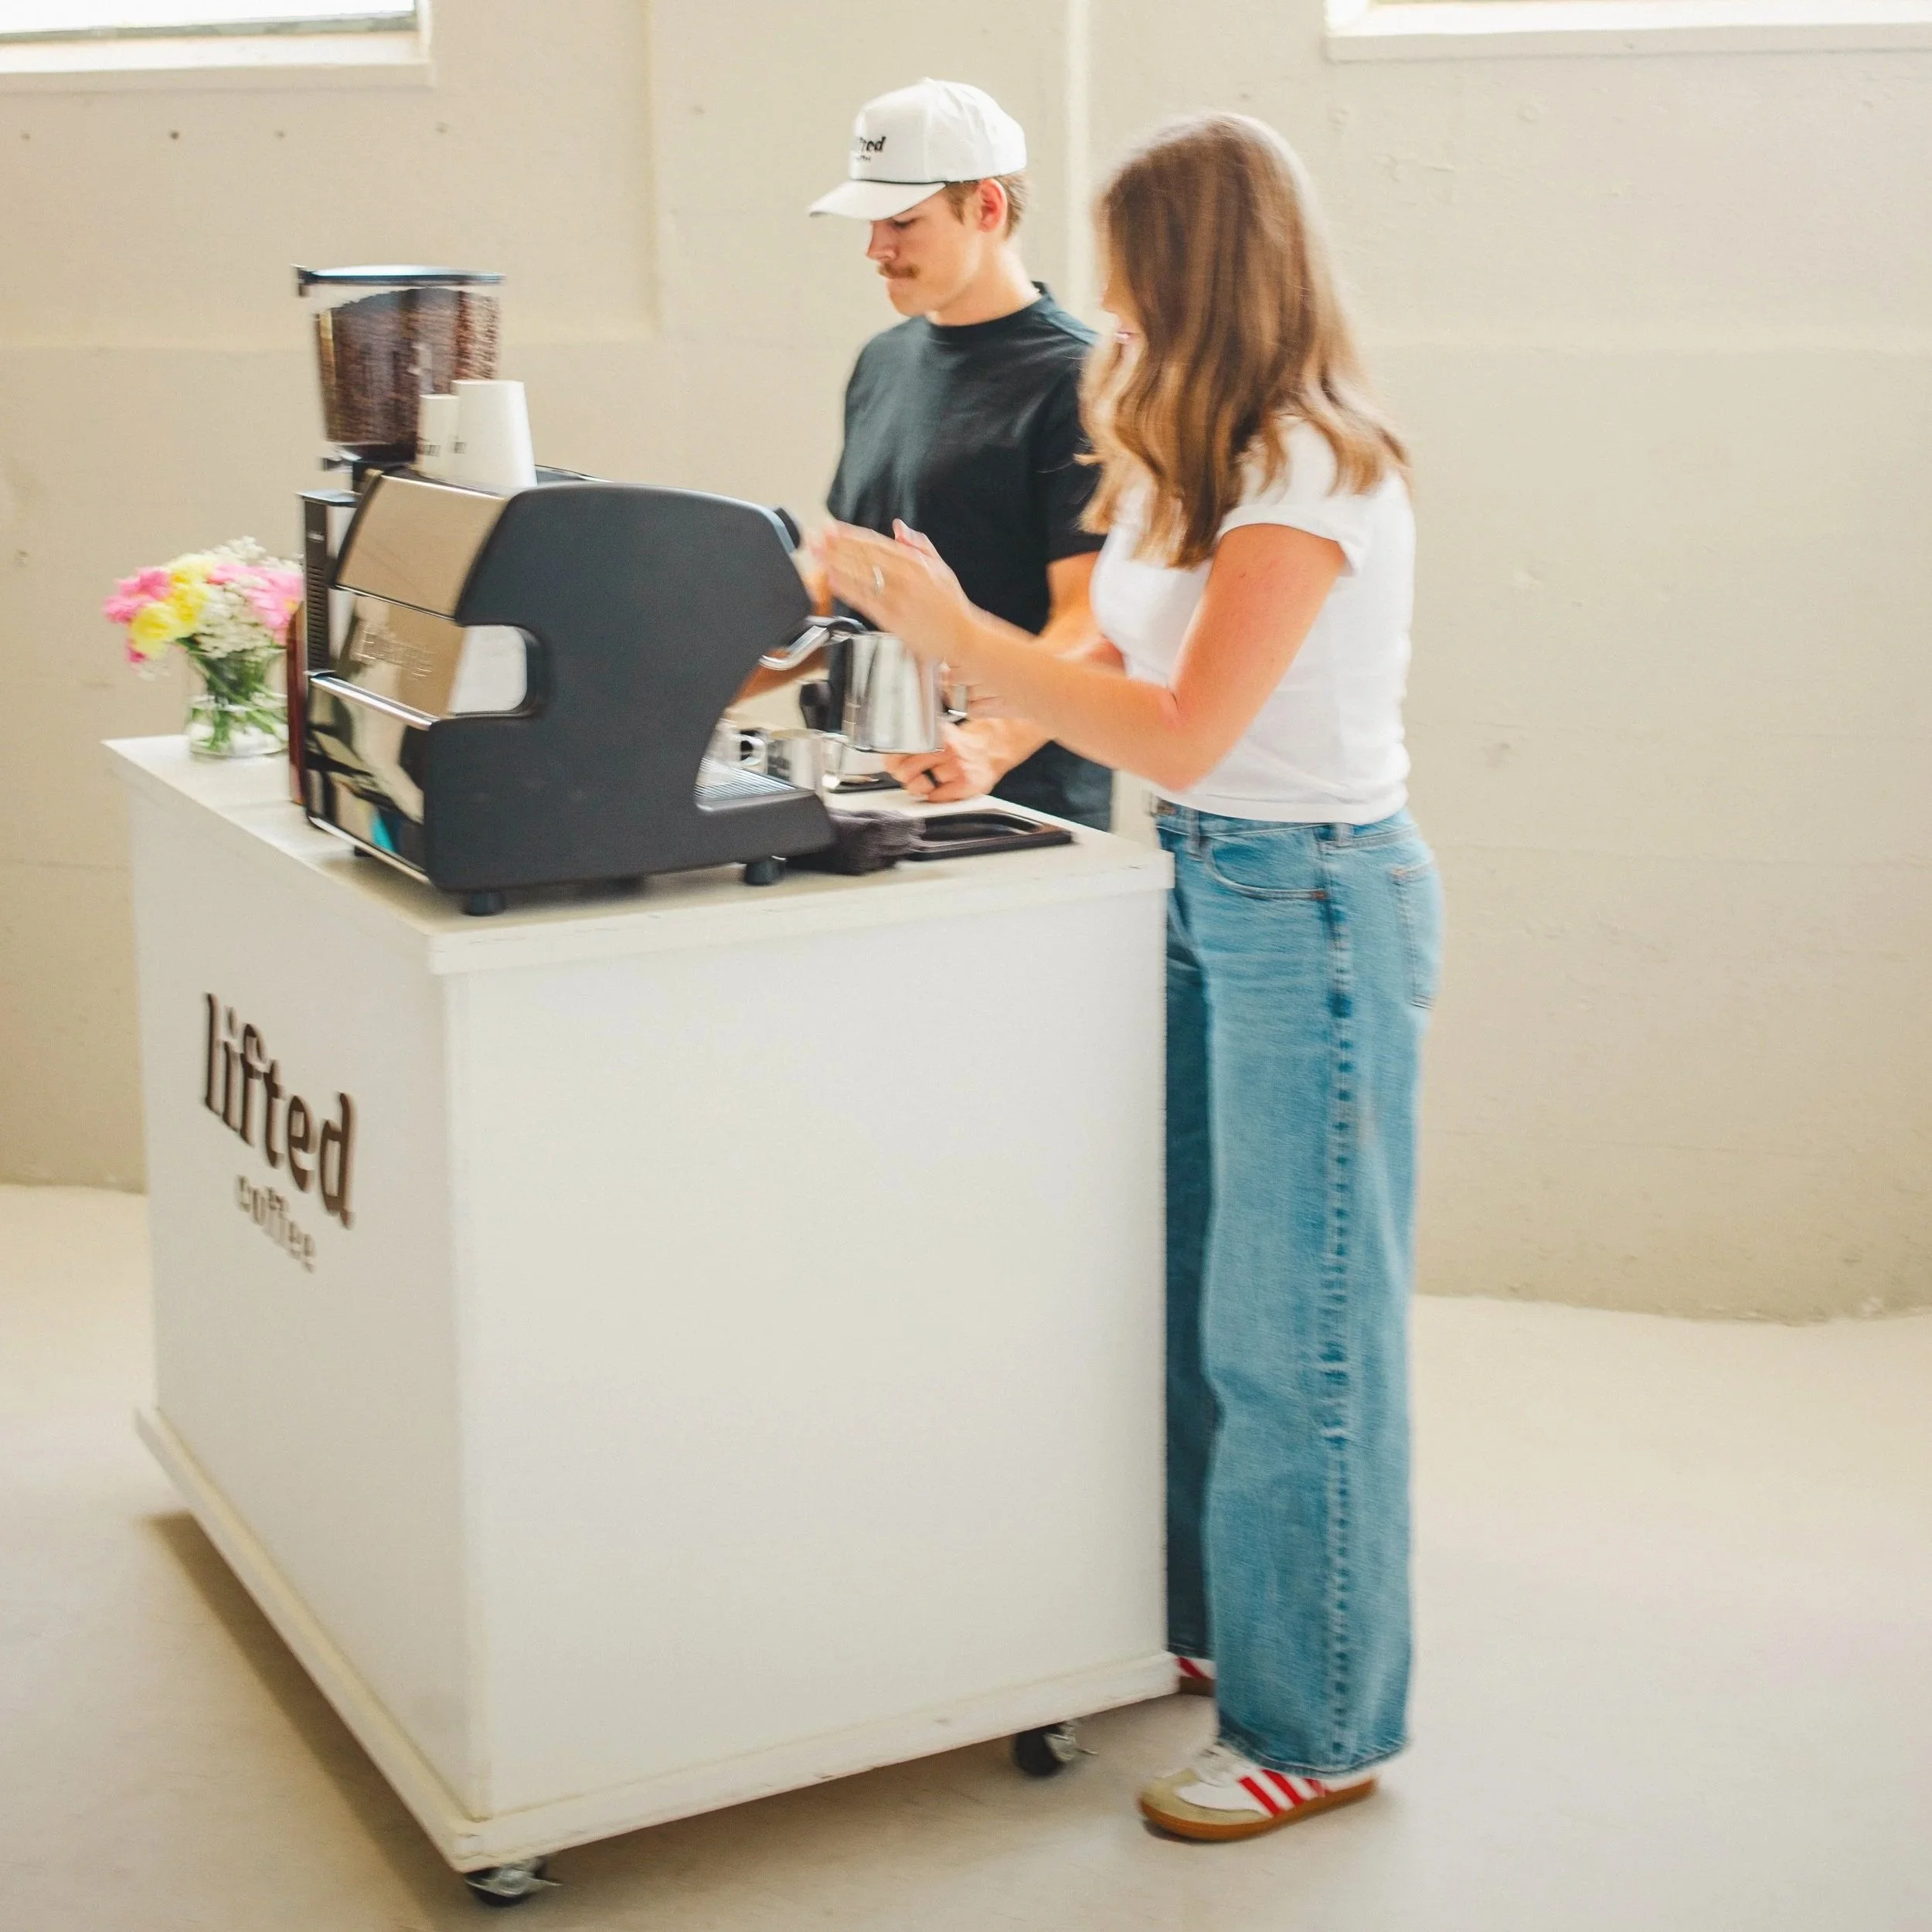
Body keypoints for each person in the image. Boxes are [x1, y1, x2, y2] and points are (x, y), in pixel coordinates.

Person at [820, 113, 1443, 1841]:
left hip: (1316, 910)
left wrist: (961, 645)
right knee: (1180, 1287)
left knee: (1291, 1333)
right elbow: (1109, 645)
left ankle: (1315, 1717)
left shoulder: (1314, 464)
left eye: (1132, 260)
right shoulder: (1188, 438)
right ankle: (1204, 1624)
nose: (1109, 297)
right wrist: (986, 677)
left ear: (1194, 266)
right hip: (1200, 885)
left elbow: (1185, 725)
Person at [805, 78, 1113, 829]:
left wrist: (988, 747)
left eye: (901, 223)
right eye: (871, 223)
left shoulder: (1082, 380)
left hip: (1017, 811)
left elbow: (1096, 621)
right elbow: (836, 578)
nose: (876, 249)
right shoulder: (882, 361)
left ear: (986, 207)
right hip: (867, 793)